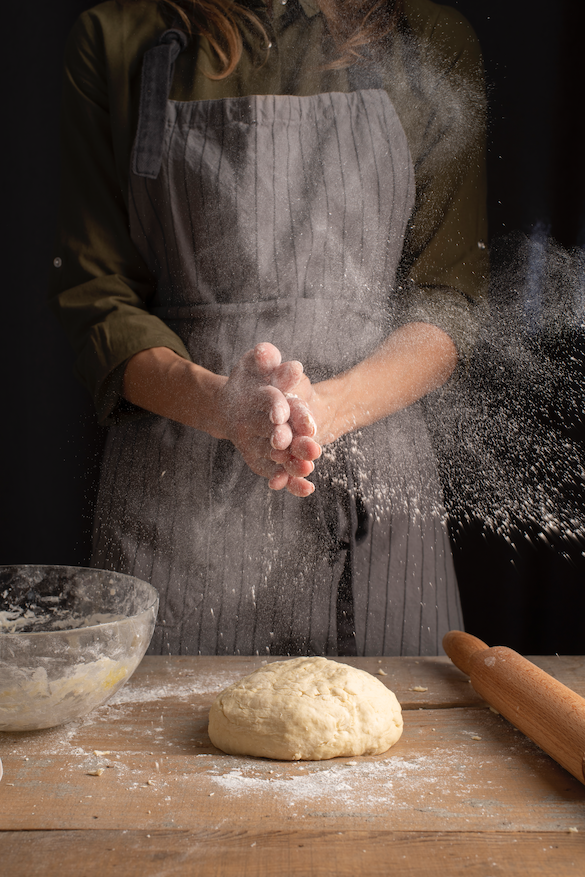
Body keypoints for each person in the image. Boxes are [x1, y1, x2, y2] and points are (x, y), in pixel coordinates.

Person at [49, 0, 488, 657]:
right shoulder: (121, 37)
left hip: (373, 477)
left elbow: (447, 299)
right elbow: (99, 298)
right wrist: (225, 406)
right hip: (181, 482)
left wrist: (331, 407)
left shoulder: (427, 37)